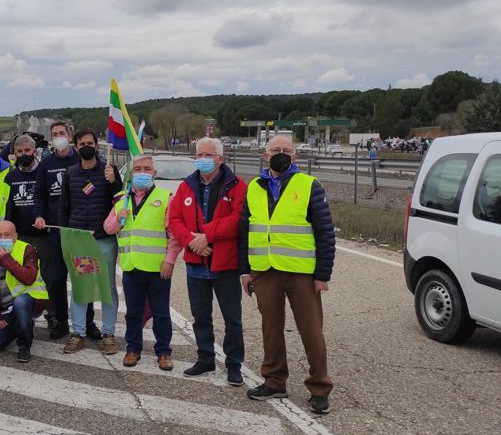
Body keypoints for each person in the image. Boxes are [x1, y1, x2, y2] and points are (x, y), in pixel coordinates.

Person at [239, 135, 336, 415]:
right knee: (270, 329)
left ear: (295, 156)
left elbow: (325, 233)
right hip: (265, 270)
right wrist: (245, 270)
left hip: (301, 274)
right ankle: (274, 381)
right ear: (264, 155)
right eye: (275, 150)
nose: (280, 154)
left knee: (311, 331)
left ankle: (319, 387)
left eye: (286, 151)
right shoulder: (254, 188)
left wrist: (322, 274)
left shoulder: (309, 186)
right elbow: (244, 231)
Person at [167, 137, 248, 384]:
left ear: (220, 159)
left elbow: (238, 220)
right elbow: (174, 219)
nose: (203, 159)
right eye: (199, 154)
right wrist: (192, 241)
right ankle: (205, 358)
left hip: (224, 264)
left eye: (208, 155)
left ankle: (234, 364)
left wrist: (207, 236)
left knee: (232, 318)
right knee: (200, 316)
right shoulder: (186, 186)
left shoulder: (237, 186)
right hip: (196, 264)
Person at [105, 154, 180, 370]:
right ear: (131, 173)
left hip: (158, 267)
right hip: (131, 266)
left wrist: (170, 261)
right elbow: (108, 228)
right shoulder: (122, 199)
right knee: (133, 312)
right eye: (138, 169)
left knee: (161, 311)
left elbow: (174, 235)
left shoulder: (166, 197)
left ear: (154, 174)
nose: (142, 173)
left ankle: (164, 351)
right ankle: (133, 348)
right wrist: (117, 217)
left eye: (147, 169)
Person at [59, 128, 123, 354]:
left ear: (97, 145)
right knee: (80, 287)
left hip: (103, 240)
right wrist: (65, 236)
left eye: (90, 142)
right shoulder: (70, 173)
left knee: (107, 289)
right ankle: (78, 334)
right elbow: (64, 207)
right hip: (79, 240)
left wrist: (114, 182)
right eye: (82, 143)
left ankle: (108, 334)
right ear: (76, 147)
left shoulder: (109, 170)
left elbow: (120, 202)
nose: (86, 146)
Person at [33, 120, 79, 339]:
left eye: (62, 133)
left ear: (70, 136)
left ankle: (85, 324)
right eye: (55, 134)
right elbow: (39, 194)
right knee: (56, 279)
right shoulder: (46, 163)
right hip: (55, 231)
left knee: (81, 278)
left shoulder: (81, 159)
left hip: (78, 231)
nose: (59, 136)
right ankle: (60, 321)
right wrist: (39, 215)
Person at [0, 220, 48, 363]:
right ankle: (21, 326)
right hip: (5, 310)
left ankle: (24, 345)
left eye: (7, 235)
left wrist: (7, 260)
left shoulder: (27, 249)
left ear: (15, 237)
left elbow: (29, 278)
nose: (3, 239)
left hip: (28, 302)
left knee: (21, 301)